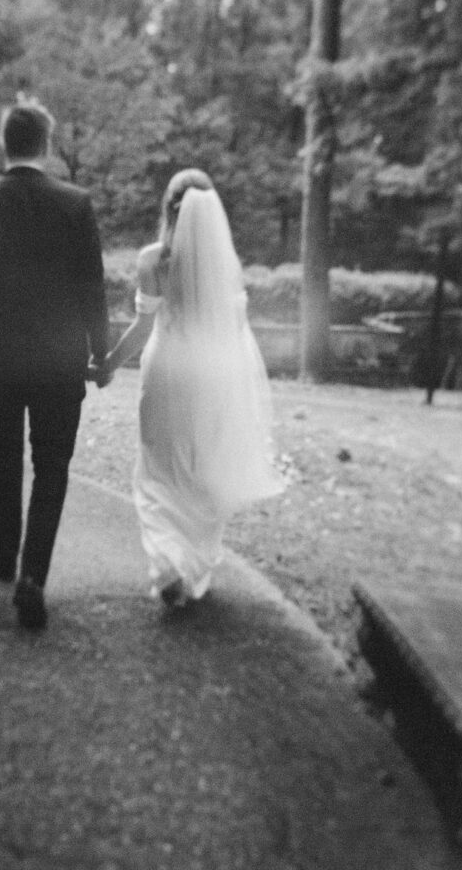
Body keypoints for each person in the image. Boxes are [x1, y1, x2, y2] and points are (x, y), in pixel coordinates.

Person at [0, 102, 111, 629]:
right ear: (47, 142)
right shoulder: (75, 204)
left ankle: (4, 554)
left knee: (4, 452)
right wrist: (100, 354)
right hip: (59, 359)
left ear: (4, 141)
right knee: (52, 466)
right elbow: (92, 287)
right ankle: (34, 575)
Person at [103, 169, 283, 608]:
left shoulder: (151, 260)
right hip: (212, 378)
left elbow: (144, 327)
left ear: (168, 208)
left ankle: (167, 563)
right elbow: (235, 335)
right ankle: (190, 564)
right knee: (203, 470)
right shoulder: (225, 266)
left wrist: (109, 362)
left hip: (166, 374)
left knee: (158, 471)